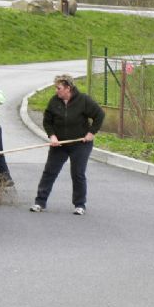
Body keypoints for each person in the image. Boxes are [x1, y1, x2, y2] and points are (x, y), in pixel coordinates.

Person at [30, 74, 105, 215]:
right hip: (59, 144)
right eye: (56, 88)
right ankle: (40, 202)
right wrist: (52, 136)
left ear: (68, 88)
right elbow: (47, 121)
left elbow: (99, 115)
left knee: (78, 173)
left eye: (58, 88)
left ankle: (80, 205)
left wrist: (91, 133)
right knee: (49, 172)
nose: (56, 91)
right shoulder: (54, 101)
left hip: (80, 144)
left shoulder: (83, 100)